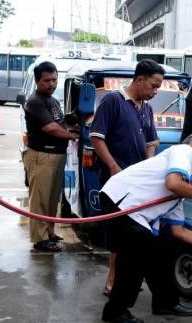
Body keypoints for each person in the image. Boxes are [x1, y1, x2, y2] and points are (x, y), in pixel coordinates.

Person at [100, 133, 192, 323]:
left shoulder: (180, 192)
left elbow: (178, 231)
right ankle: (115, 311)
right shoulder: (183, 150)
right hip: (119, 200)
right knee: (135, 255)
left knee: (160, 250)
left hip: (134, 212)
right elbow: (173, 183)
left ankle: (165, 302)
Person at [90, 59, 165, 296]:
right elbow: (96, 137)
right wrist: (113, 166)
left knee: (136, 233)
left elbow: (151, 142)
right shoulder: (113, 101)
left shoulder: (146, 108)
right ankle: (112, 280)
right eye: (153, 86)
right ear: (140, 79)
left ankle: (128, 279)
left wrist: (148, 165)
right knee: (117, 234)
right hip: (116, 182)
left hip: (138, 183)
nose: (155, 92)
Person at [23, 61, 79, 252]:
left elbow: (60, 123)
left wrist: (73, 125)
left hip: (55, 156)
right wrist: (72, 136)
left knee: (52, 198)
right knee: (40, 199)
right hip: (41, 156)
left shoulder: (52, 100)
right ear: (38, 81)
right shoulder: (35, 101)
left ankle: (50, 231)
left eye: (54, 79)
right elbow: (50, 128)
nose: (52, 84)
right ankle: (40, 239)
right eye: (47, 80)